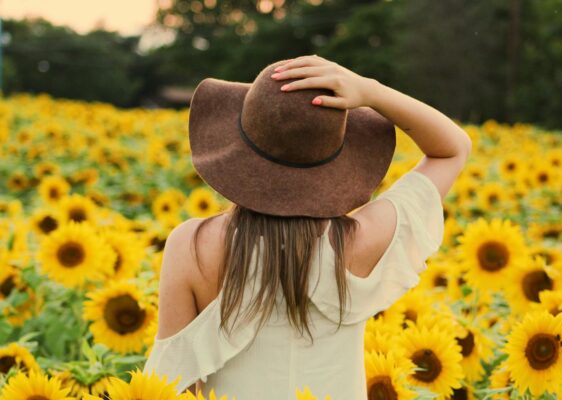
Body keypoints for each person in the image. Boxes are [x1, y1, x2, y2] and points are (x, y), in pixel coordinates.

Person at [142, 54, 472, 399]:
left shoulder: (193, 246)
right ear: (335, 158)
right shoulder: (365, 240)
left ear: (238, 150)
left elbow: (170, 384)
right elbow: (452, 149)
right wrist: (371, 91)